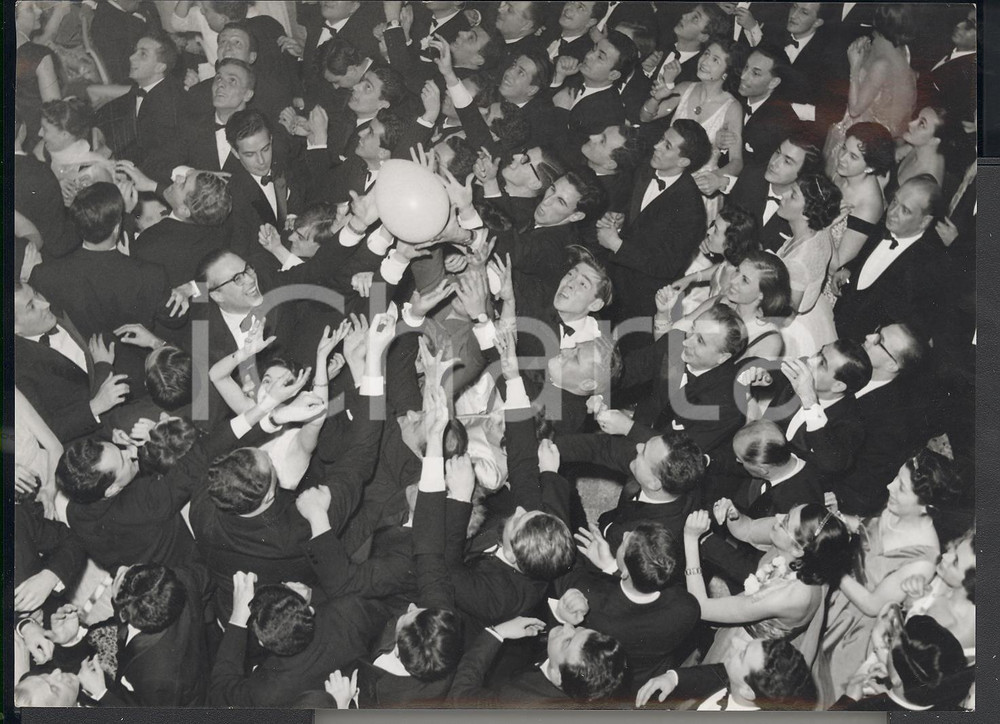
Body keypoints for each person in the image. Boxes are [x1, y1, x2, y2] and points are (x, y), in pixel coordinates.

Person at [824, 449, 963, 699]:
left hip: (850, 624)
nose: (889, 486)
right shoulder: (895, 509)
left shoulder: (923, 559)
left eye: (900, 487)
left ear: (926, 506)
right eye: (896, 479)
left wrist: (829, 566)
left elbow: (871, 605)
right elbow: (868, 533)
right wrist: (838, 518)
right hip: (836, 588)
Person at [685, 503, 853, 666]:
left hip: (744, 652)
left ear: (797, 550)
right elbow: (748, 528)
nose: (778, 517)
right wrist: (732, 514)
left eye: (785, 520)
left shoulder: (789, 595)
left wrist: (691, 539)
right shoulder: (799, 546)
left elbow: (701, 607)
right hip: (742, 616)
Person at [599, 120, 711, 337]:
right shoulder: (645, 167)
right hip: (611, 282)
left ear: (684, 161)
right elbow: (635, 212)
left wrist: (616, 244)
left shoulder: (691, 210)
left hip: (639, 302)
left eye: (667, 146)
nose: (656, 146)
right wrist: (619, 217)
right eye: (661, 139)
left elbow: (666, 266)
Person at [833, 175, 946, 343]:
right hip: (836, 319)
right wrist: (850, 268)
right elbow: (867, 252)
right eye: (894, 201)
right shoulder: (891, 222)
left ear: (924, 221)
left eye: (905, 210)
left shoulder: (926, 268)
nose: (892, 212)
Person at [448, 616, 628, 707]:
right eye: (581, 629)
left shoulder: (516, 703)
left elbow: (460, 696)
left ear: (558, 677)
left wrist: (497, 633)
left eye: (567, 641)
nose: (567, 626)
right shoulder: (578, 679)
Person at [823, 5, 917, 172]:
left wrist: (854, 66)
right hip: (876, 132)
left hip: (861, 132)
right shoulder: (902, 50)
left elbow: (854, 110)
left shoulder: (883, 63)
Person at [668, 249, 792, 361]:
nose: (733, 280)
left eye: (744, 280)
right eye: (737, 270)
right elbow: (674, 333)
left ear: (762, 294)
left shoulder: (768, 339)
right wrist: (663, 312)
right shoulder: (720, 302)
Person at [636, 636, 818, 711]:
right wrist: (673, 678)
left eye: (742, 654)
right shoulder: (742, 682)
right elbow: (718, 674)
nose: (735, 642)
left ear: (747, 691)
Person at [774, 173, 842, 357]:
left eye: (793, 195)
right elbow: (834, 262)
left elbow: (786, 318)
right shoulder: (820, 231)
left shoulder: (800, 261)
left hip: (792, 326)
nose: (783, 195)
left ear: (806, 213)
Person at [829, 122, 894, 268]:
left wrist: (824, 230)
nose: (842, 158)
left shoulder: (868, 206)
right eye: (844, 148)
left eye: (853, 156)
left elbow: (837, 264)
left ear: (870, 167)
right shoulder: (845, 172)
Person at [15, 1, 62, 142]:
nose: (40, 11)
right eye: (30, 9)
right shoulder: (38, 55)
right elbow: (55, 114)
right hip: (35, 140)